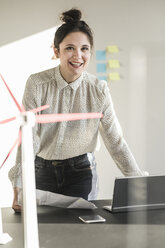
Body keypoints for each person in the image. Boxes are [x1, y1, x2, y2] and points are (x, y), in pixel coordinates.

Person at [9, 8, 147, 212]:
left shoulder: (98, 89)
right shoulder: (37, 84)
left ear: (90, 51)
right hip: (42, 171)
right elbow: (28, 138)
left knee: (82, 234)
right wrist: (19, 186)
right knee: (45, 235)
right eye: (69, 48)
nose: (78, 56)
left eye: (84, 49)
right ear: (56, 51)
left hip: (81, 172)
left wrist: (137, 183)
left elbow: (115, 140)